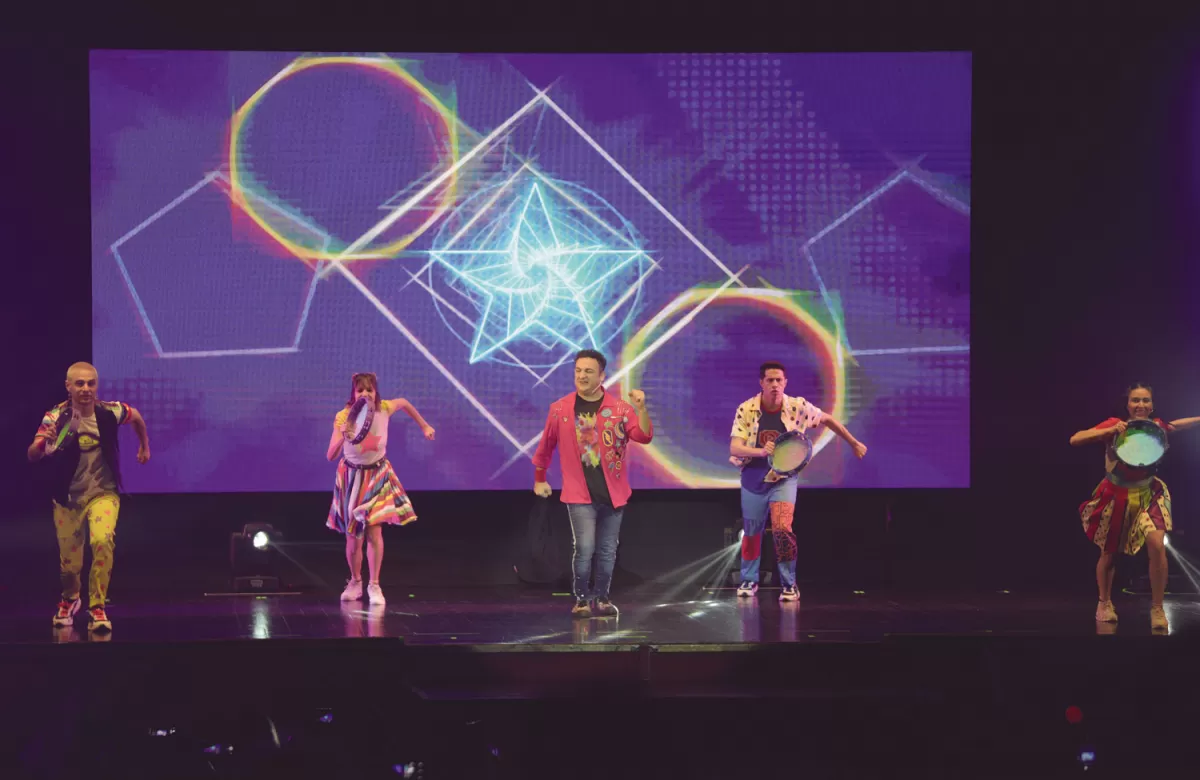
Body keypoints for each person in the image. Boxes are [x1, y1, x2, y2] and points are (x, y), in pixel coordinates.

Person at [27, 362, 150, 632]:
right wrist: (40, 444)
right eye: (79, 384)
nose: (86, 389)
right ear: (68, 387)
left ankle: (98, 606)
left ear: (96, 386)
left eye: (90, 383)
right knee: (70, 565)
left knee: (102, 539)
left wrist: (144, 445)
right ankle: (70, 599)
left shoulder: (109, 412)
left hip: (103, 494)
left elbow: (137, 416)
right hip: (67, 498)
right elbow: (32, 455)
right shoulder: (56, 416)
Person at [729, 361, 866, 601]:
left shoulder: (796, 407)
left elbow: (827, 419)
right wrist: (761, 451)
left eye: (779, 380)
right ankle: (749, 580)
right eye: (769, 380)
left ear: (785, 383)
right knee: (752, 532)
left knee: (782, 529)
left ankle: (789, 584)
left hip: (783, 478)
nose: (774, 385)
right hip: (753, 477)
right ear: (761, 383)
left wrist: (853, 442)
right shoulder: (747, 409)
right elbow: (735, 446)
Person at [532, 349, 653, 618]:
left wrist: (641, 409)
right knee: (585, 549)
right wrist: (539, 479)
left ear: (601, 376)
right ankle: (582, 599)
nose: (582, 376)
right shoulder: (561, 408)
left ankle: (603, 598)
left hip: (613, 494)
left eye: (588, 371)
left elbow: (643, 436)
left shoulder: (619, 409)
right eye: (578, 371)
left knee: (608, 550)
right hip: (579, 494)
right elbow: (545, 448)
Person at [1072, 382, 1200, 631]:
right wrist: (1107, 431)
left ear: (1152, 405)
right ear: (1127, 404)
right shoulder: (1115, 425)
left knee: (1156, 544)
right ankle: (1104, 602)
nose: (1140, 405)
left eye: (1145, 401)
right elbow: (1075, 439)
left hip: (1149, 493)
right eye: (1135, 400)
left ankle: (1157, 608)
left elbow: (1176, 425)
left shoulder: (1156, 427)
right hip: (1115, 495)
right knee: (1109, 554)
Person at [327, 372, 435, 606]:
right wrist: (344, 435)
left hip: (377, 475)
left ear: (375, 393)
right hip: (352, 478)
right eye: (360, 391)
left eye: (370, 390)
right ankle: (355, 581)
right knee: (353, 538)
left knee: (374, 531)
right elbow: (330, 455)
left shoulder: (384, 408)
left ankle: (374, 585)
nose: (365, 394)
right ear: (353, 394)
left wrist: (424, 425)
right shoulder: (343, 416)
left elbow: (405, 403)